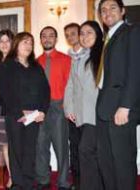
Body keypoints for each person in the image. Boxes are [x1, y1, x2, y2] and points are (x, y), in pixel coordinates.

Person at [96, 0, 140, 189]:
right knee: (107, 163)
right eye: (103, 10)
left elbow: (135, 71)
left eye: (112, 8)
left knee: (122, 163)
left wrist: (126, 106)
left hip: (121, 110)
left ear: (123, 11)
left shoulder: (132, 32)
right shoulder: (108, 38)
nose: (107, 13)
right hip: (105, 109)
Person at [0, 32, 50, 190]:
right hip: (15, 115)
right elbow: (5, 92)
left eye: (30, 43)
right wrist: (21, 112)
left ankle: (28, 183)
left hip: (34, 115)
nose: (28, 46)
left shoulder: (36, 66)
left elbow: (45, 90)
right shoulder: (7, 65)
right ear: (16, 45)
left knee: (30, 150)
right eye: (24, 42)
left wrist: (42, 111)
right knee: (16, 150)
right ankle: (18, 184)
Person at [64, 21, 103, 190]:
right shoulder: (79, 57)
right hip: (81, 114)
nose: (84, 36)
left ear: (97, 34)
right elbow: (71, 85)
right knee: (86, 154)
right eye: (82, 33)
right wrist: (69, 108)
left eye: (89, 33)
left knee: (86, 151)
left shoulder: (104, 54)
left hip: (97, 114)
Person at [35, 26, 71, 190]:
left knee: (61, 147)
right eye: (44, 36)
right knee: (40, 146)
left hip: (59, 106)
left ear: (56, 39)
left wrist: (67, 105)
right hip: (41, 109)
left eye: (51, 36)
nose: (47, 39)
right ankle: (43, 180)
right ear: (40, 40)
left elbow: (71, 86)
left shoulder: (66, 59)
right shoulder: (35, 62)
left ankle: (63, 182)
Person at [0, 29, 14, 189]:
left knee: (17, 143)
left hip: (17, 107)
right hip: (0, 106)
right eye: (1, 41)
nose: (4, 44)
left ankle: (20, 175)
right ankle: (12, 177)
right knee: (5, 144)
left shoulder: (18, 62)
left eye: (7, 41)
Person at [63, 22, 84, 190]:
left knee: (88, 149)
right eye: (67, 35)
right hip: (72, 113)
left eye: (73, 33)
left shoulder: (90, 54)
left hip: (88, 113)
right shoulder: (66, 57)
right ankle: (76, 183)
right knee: (74, 148)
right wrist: (69, 109)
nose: (70, 37)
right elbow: (67, 86)